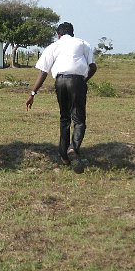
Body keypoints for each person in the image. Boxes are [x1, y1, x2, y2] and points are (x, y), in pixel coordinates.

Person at [26, 22, 97, 173]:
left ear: (58, 35)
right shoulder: (83, 43)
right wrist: (83, 81)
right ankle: (74, 148)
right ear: (73, 33)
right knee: (79, 119)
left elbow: (43, 72)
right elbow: (93, 67)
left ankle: (63, 155)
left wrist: (33, 93)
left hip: (60, 81)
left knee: (64, 118)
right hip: (77, 80)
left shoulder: (53, 46)